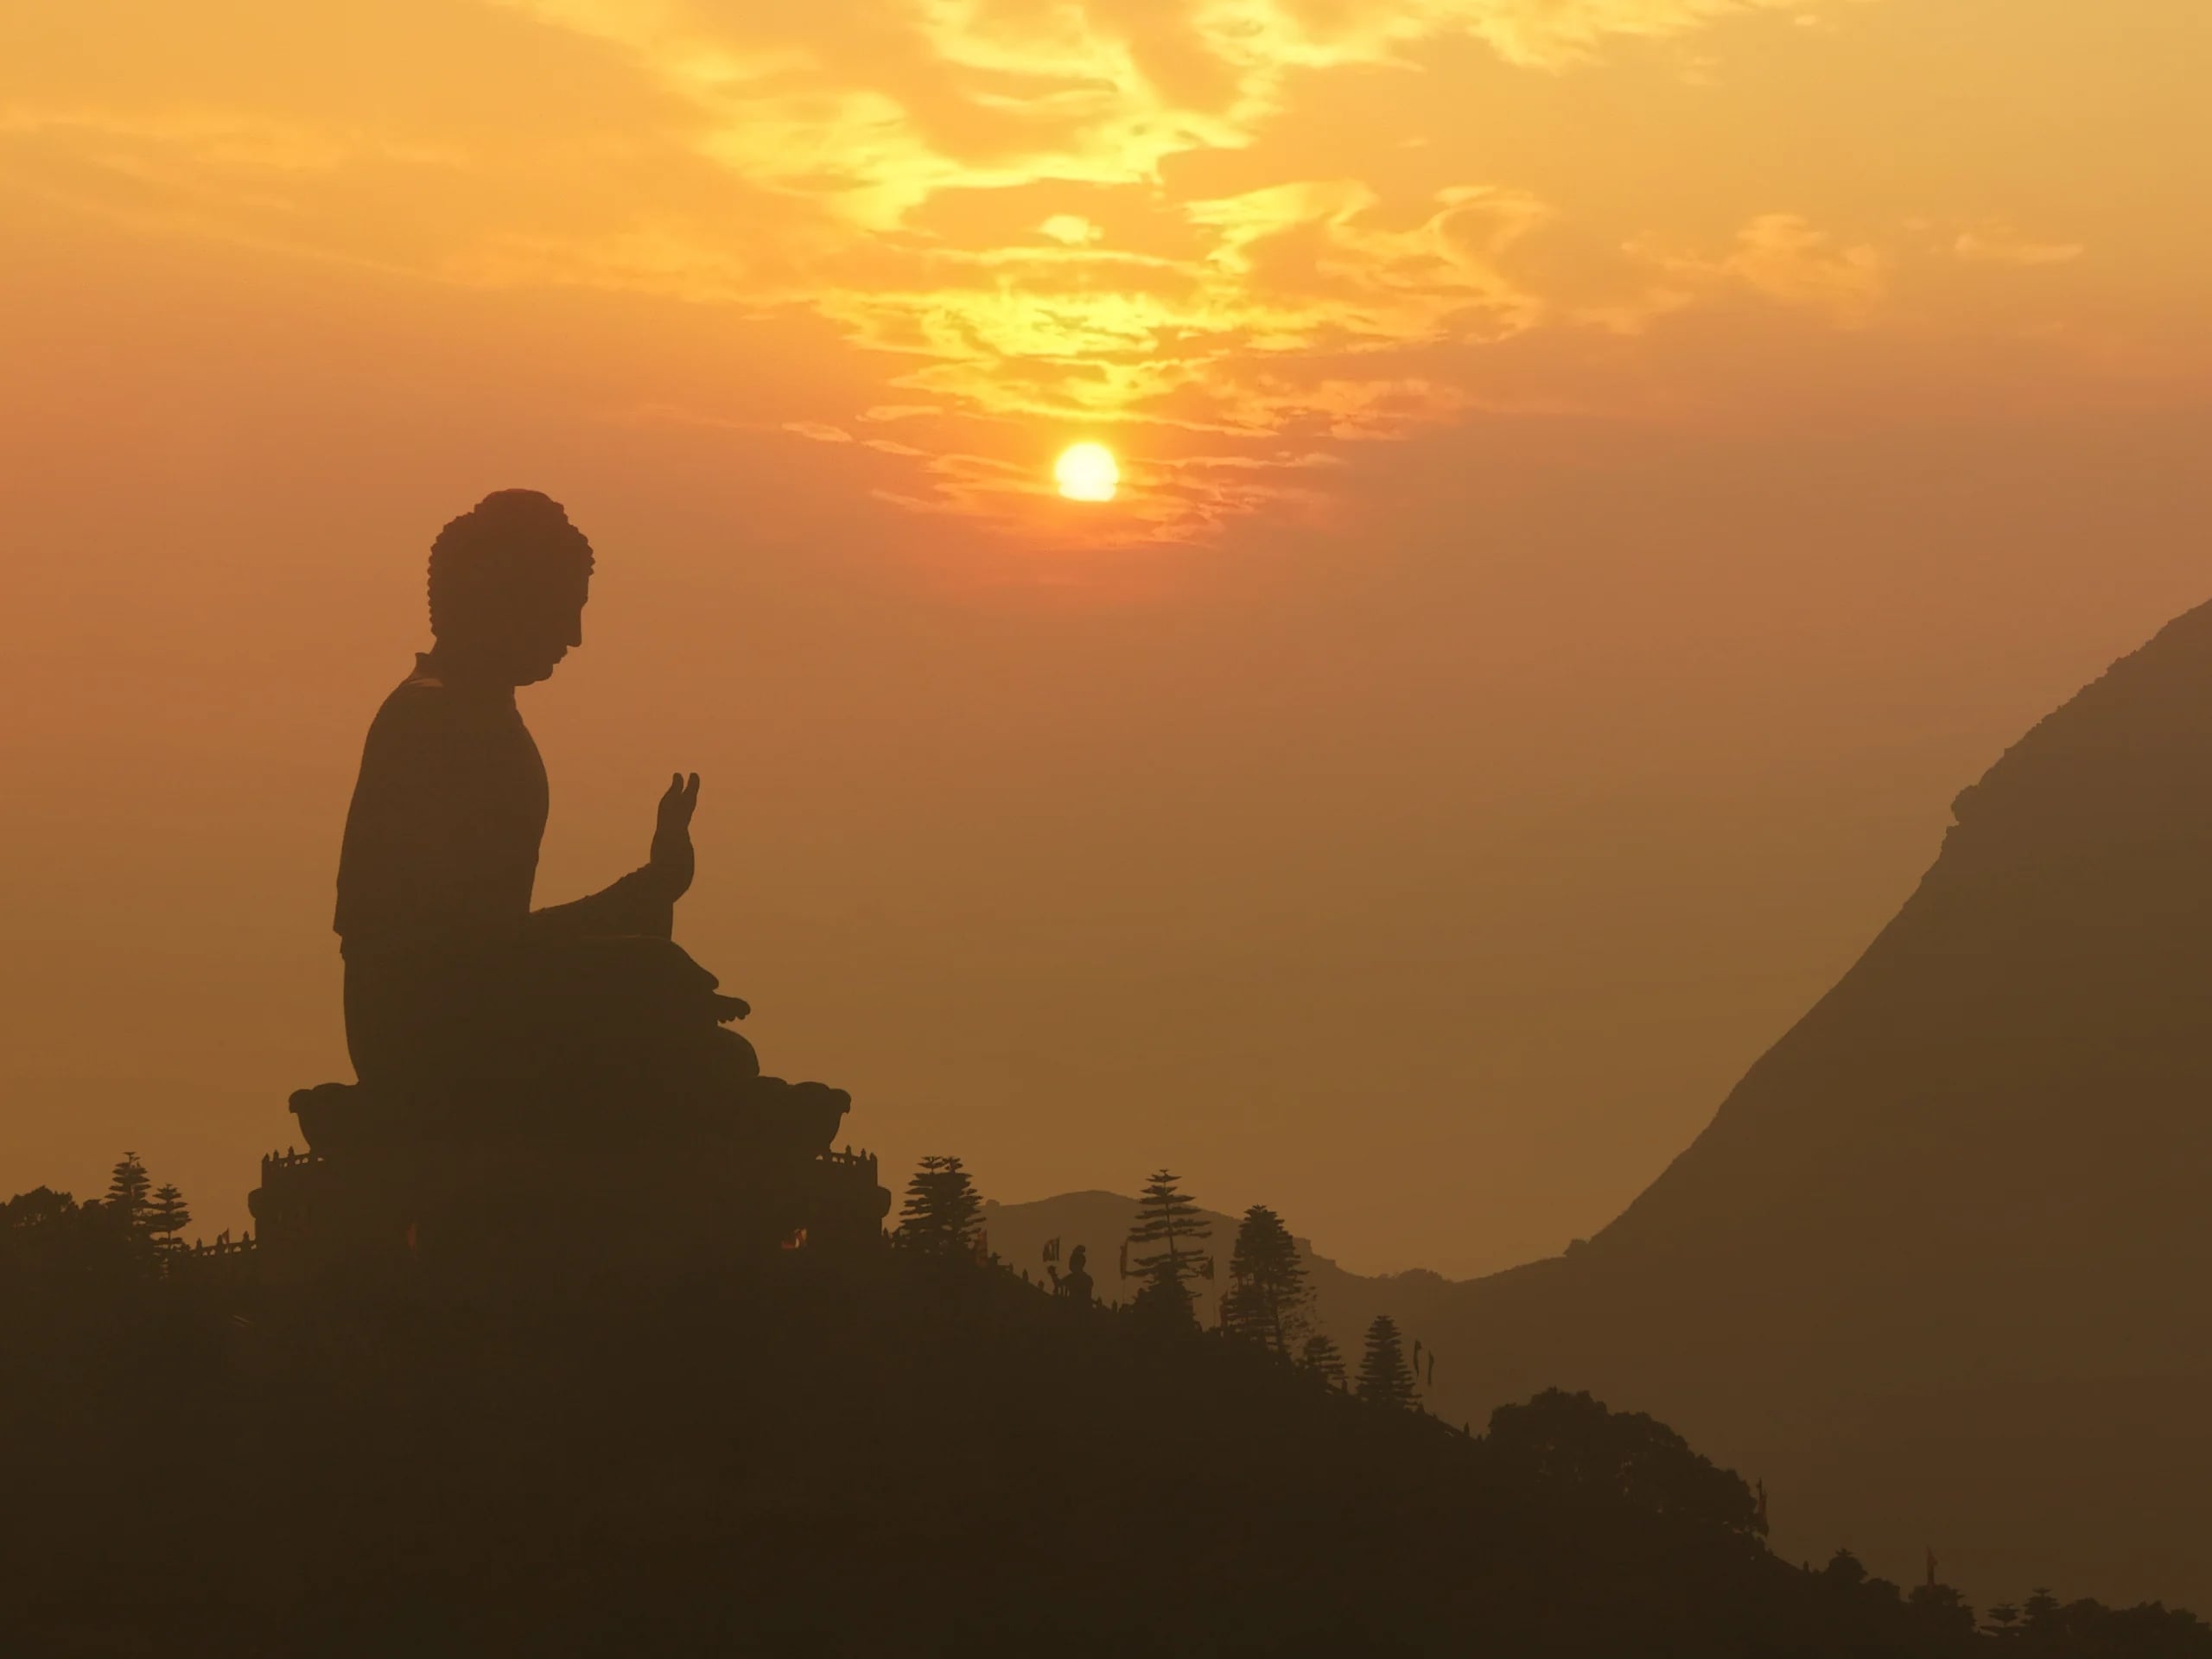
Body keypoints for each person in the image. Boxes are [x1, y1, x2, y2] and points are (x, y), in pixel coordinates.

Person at [331, 490, 772, 1138]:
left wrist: (650, 889)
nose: (574, 636)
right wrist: (636, 957)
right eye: (561, 610)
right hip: (423, 1029)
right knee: (707, 1058)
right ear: (498, 601)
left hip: (470, 1000)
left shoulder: (482, 717)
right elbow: (448, 957)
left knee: (706, 1047)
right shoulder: (433, 721)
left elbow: (497, 939)